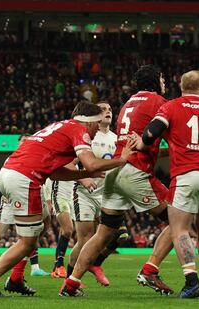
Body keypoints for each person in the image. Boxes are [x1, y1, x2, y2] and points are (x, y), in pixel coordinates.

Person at [0, 102, 137, 297]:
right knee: (27, 241)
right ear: (91, 122)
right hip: (25, 179)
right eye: (96, 125)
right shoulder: (79, 129)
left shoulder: (61, 127)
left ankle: (16, 279)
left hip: (14, 173)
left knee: (39, 227)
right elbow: (92, 163)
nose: (94, 134)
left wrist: (82, 174)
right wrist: (121, 159)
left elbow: (56, 173)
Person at [61, 65, 175, 297]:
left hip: (117, 170)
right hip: (136, 170)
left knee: (103, 233)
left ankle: (71, 284)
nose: (165, 82)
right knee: (179, 220)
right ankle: (150, 270)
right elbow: (163, 133)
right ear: (156, 80)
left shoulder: (128, 103)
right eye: (162, 77)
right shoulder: (159, 101)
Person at [140, 70, 199, 299]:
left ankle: (191, 282)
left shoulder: (172, 106)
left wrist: (143, 143)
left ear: (181, 87)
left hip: (187, 173)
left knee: (180, 229)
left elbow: (150, 134)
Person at [0, 135, 49, 278]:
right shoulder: (12, 159)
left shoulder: (35, 158)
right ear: (17, 144)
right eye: (23, 141)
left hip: (28, 199)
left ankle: (35, 267)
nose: (26, 143)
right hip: (9, 201)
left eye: (28, 141)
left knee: (32, 232)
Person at [66, 101, 119, 286]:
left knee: (117, 235)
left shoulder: (116, 138)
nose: (108, 112)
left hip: (108, 195)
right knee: (85, 239)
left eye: (110, 109)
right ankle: (70, 278)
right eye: (103, 110)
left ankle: (95, 263)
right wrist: (83, 178)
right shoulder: (87, 137)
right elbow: (68, 164)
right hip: (85, 193)